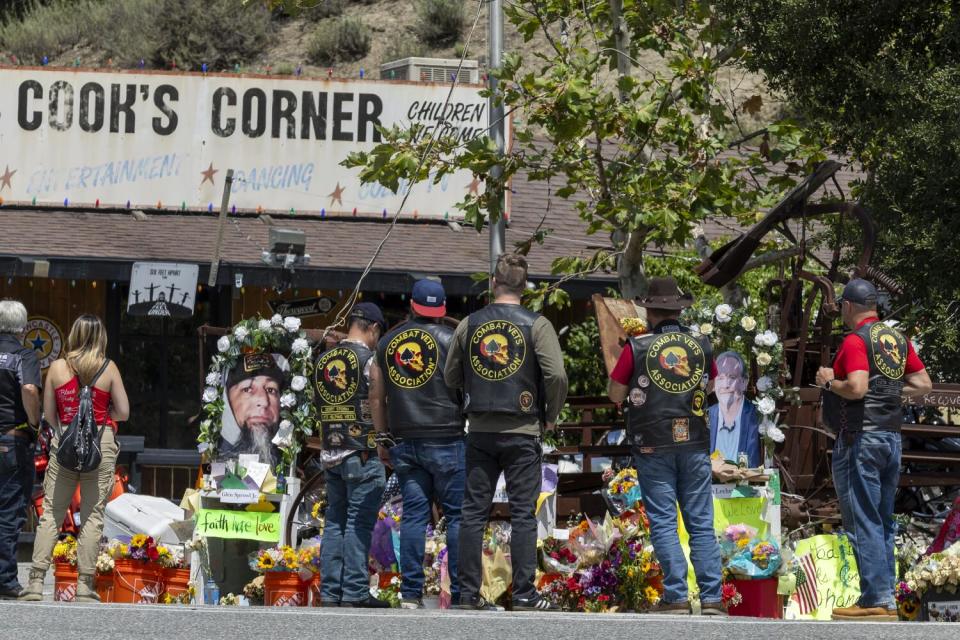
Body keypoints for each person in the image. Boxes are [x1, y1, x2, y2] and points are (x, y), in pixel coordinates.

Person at [444, 253, 568, 611]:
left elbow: (451, 375)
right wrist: (550, 415)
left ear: (492, 283)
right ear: (525, 287)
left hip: (480, 429)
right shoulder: (537, 325)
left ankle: (467, 594)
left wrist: (469, 389)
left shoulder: (469, 324)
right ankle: (525, 593)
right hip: (523, 427)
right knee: (522, 514)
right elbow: (556, 375)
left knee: (473, 513)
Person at [607, 277, 724, 615]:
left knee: (663, 521)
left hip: (652, 443)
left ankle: (676, 596)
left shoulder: (637, 346)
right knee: (700, 522)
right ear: (677, 310)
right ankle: (713, 597)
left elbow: (615, 394)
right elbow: (713, 386)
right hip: (694, 441)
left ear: (650, 310)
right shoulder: (701, 344)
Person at [817, 279, 931, 620]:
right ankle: (886, 596)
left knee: (862, 518)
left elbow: (856, 387)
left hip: (860, 439)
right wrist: (892, 394)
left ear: (849, 306)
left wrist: (828, 381)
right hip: (890, 439)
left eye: (841, 307)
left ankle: (876, 598)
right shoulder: (895, 339)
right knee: (881, 519)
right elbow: (923, 385)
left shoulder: (856, 340)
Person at [370, 279, 466, 609]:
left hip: (405, 440)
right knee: (455, 517)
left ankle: (410, 592)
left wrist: (382, 438)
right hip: (448, 438)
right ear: (441, 310)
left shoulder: (387, 342)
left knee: (413, 516)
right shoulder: (452, 339)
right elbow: (462, 388)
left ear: (412, 306)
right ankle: (461, 592)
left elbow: (376, 396)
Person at [21, 314, 129, 602]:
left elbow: (49, 414)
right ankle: (84, 584)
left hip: (65, 440)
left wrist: (66, 428)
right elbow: (124, 412)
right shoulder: (109, 369)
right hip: (101, 440)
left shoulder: (57, 367)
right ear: (101, 336)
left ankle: (34, 582)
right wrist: (103, 418)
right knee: (93, 515)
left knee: (52, 514)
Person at [315, 302, 391, 608]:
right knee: (359, 524)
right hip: (362, 450)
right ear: (372, 328)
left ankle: (331, 592)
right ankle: (356, 591)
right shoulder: (369, 358)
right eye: (378, 333)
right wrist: (383, 439)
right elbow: (376, 397)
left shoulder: (323, 360)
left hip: (330, 451)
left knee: (334, 522)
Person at [0, 301, 41, 599]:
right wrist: (35, 422)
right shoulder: (23, 355)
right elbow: (29, 389)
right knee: (9, 511)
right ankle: (5, 580)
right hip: (11, 441)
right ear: (22, 326)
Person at [219, 352, 288, 467]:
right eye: (247, 389)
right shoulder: (213, 451)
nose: (264, 401)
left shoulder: (289, 454)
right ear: (227, 400)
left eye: (271, 390)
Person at [708, 351, 761, 467]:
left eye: (732, 377)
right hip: (711, 482)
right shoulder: (706, 416)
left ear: (744, 382)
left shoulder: (757, 415)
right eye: (720, 378)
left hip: (745, 482)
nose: (726, 385)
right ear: (714, 384)